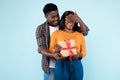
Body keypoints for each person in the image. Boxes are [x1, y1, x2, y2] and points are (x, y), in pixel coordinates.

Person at [36, 3, 89, 80]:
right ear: (46, 17)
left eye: (57, 15)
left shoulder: (67, 21)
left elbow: (85, 32)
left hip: (73, 63)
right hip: (51, 65)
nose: (56, 18)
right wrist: (54, 53)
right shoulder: (41, 28)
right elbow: (41, 48)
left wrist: (78, 19)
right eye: (52, 17)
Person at [49, 11, 86, 80]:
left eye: (72, 20)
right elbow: (51, 49)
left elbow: (84, 52)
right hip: (61, 63)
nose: (70, 22)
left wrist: (79, 55)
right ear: (63, 20)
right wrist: (56, 50)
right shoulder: (56, 34)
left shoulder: (80, 35)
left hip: (76, 64)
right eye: (68, 19)